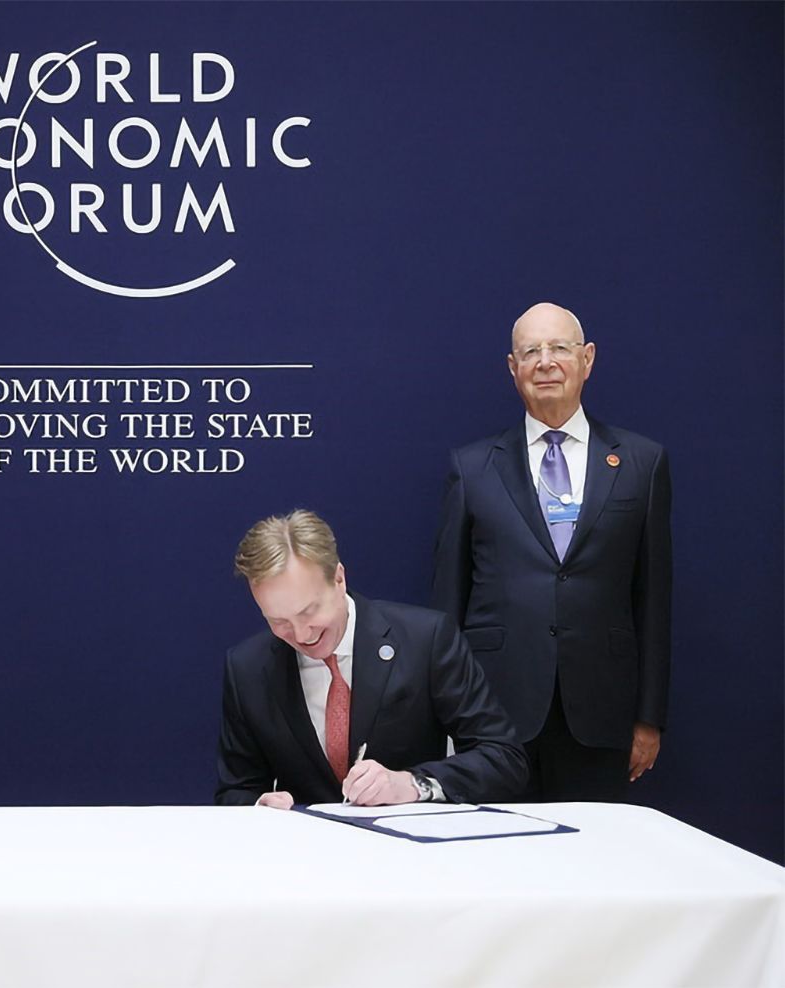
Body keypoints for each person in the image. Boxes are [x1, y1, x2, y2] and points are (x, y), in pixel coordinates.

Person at [433, 302, 671, 801]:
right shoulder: (472, 467)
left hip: (601, 712)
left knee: (592, 846)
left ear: (587, 359)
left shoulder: (641, 463)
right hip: (496, 712)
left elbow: (653, 600)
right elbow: (448, 604)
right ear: (512, 367)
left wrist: (649, 717)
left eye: (559, 348)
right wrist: (448, 714)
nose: (545, 362)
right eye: (530, 352)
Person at [217, 511, 526, 808]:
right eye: (278, 621)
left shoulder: (425, 640)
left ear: (339, 578)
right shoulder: (248, 669)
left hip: (407, 839)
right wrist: (259, 806)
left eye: (309, 611)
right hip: (305, 842)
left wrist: (412, 784)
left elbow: (503, 760)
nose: (300, 634)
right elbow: (235, 790)